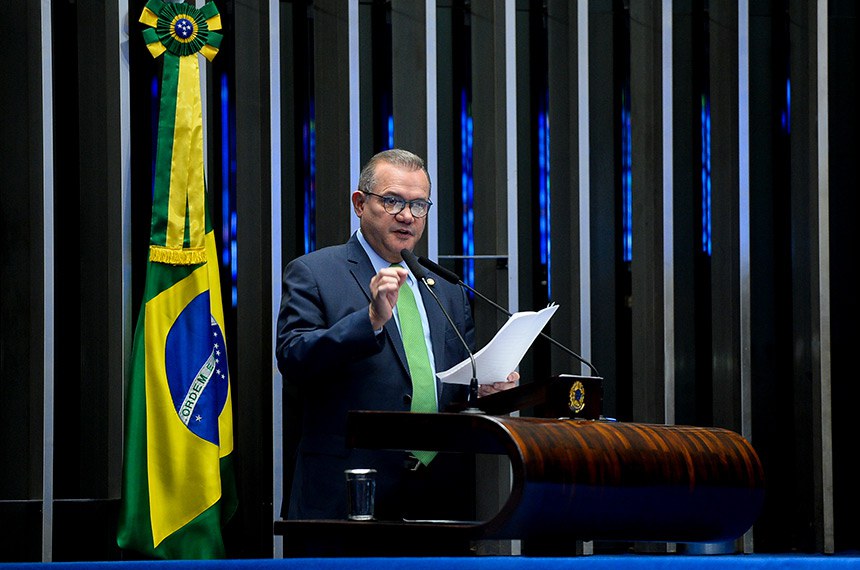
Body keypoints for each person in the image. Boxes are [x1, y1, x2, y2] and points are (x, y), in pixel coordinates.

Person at [276, 148, 517, 522]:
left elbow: (451, 389)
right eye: (392, 201)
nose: (407, 216)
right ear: (360, 203)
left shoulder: (445, 288)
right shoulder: (314, 272)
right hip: (348, 493)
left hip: (437, 497)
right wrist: (370, 319)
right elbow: (294, 358)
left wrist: (484, 389)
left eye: (419, 205)